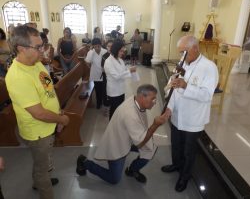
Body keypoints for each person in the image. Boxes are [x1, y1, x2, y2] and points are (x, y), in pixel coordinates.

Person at [5, 25, 70, 199]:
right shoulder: (18, 76)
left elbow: (48, 90)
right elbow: (39, 113)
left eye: (42, 45)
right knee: (43, 169)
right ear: (21, 49)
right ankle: (42, 186)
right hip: (38, 131)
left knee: (41, 162)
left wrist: (58, 110)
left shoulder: (36, 63)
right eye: (38, 47)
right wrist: (61, 120)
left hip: (47, 125)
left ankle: (37, 180)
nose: (43, 50)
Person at [76, 84, 170, 184]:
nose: (155, 102)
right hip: (116, 144)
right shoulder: (130, 114)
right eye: (153, 99)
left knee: (151, 148)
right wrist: (155, 125)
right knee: (114, 179)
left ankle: (132, 170)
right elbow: (140, 143)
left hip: (129, 138)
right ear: (142, 97)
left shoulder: (136, 100)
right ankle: (85, 162)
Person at [161, 35, 218, 192]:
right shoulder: (182, 63)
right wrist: (169, 108)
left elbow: (207, 96)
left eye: (184, 52)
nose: (182, 56)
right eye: (180, 52)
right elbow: (172, 87)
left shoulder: (209, 67)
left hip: (193, 119)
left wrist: (186, 86)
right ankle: (176, 164)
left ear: (195, 48)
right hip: (177, 115)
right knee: (176, 145)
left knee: (188, 151)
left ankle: (184, 177)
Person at [104, 40, 136, 119]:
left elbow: (124, 71)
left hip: (121, 89)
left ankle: (118, 126)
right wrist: (129, 71)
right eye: (121, 51)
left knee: (119, 110)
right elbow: (116, 76)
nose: (122, 53)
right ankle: (112, 128)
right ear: (115, 49)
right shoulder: (108, 62)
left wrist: (131, 70)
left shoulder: (120, 60)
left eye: (123, 51)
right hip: (114, 91)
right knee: (114, 111)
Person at [85, 38, 107, 109]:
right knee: (97, 90)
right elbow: (87, 62)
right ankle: (98, 102)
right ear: (93, 46)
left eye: (98, 46)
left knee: (104, 89)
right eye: (95, 46)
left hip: (104, 74)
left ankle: (104, 102)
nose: (97, 48)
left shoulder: (105, 51)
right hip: (95, 74)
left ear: (101, 45)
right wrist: (91, 51)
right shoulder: (91, 52)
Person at [101, 40, 113, 115]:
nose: (110, 48)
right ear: (106, 47)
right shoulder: (104, 56)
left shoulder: (116, 55)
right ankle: (106, 107)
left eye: (112, 46)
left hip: (114, 78)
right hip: (107, 77)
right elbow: (103, 68)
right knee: (105, 91)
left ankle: (112, 106)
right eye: (108, 46)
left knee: (112, 92)